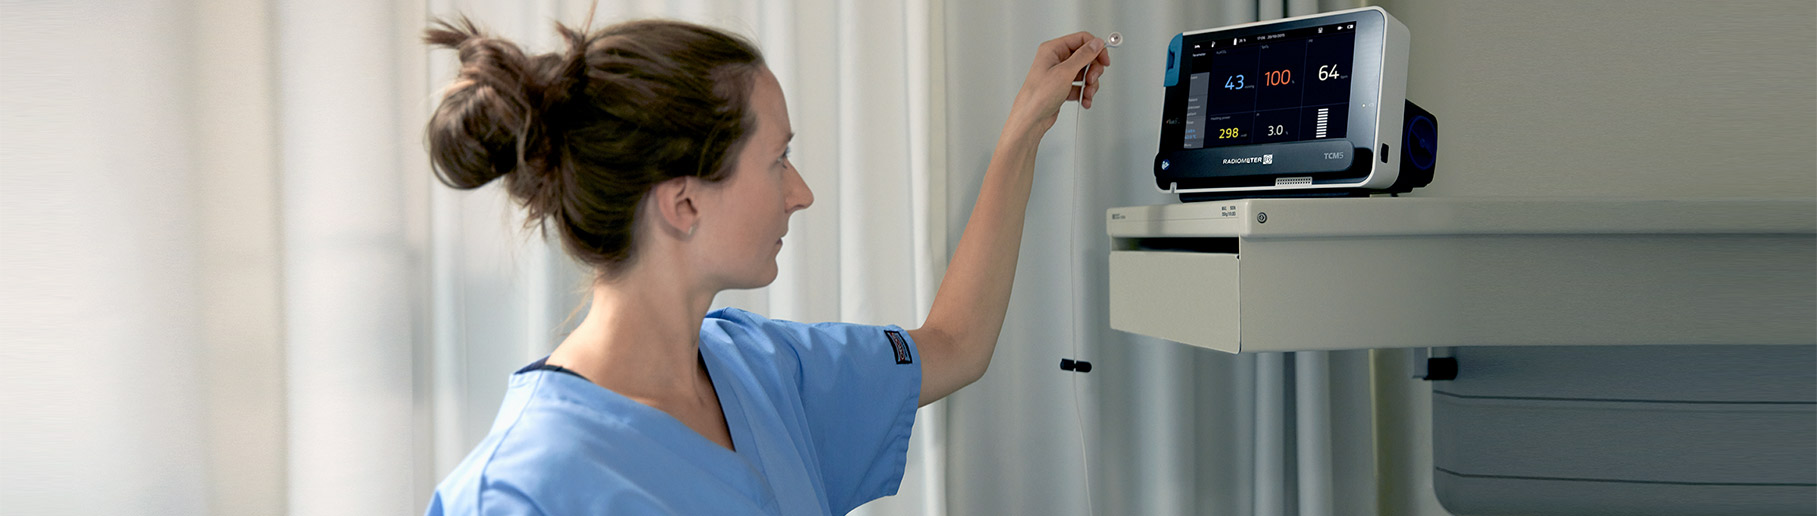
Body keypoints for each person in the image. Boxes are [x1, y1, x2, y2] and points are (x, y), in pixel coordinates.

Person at [421, 13, 1109, 516]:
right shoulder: (520, 491)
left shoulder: (763, 371)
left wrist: (1024, 127)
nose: (801, 192)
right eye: (778, 160)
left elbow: (954, 345)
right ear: (683, 202)